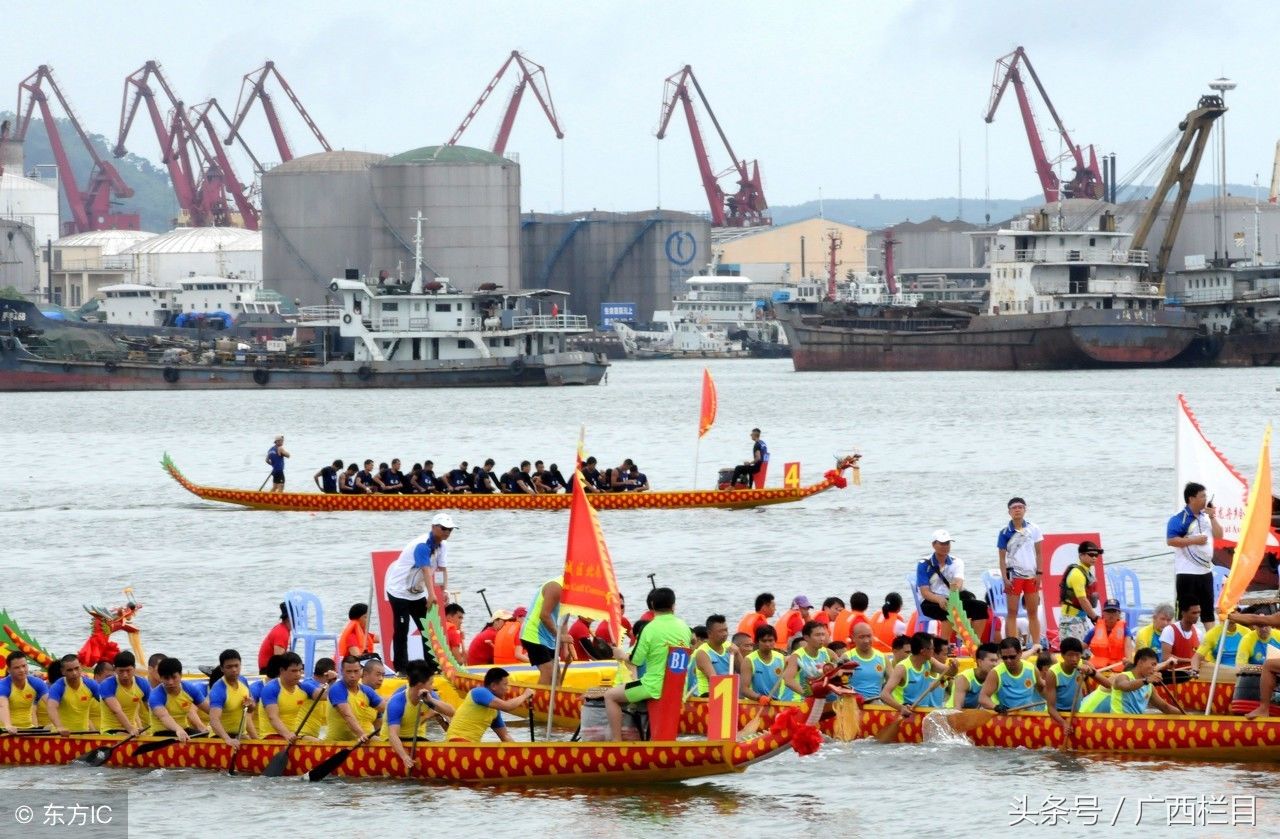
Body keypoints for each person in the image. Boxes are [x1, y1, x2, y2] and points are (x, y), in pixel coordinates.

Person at [603, 586, 691, 740]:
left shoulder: (649, 629)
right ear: (673, 606)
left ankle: (616, 742)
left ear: (652, 605)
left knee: (610, 696)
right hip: (679, 687)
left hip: (653, 687)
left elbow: (636, 660)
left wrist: (621, 654)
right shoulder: (684, 627)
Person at [385, 513, 455, 672]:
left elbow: (441, 568)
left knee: (427, 629)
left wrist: (444, 590)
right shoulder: (422, 545)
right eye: (444, 528)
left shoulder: (442, 545)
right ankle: (401, 669)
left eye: (450, 529)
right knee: (402, 629)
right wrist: (431, 594)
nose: (447, 532)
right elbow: (425, 569)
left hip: (417, 592)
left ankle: (432, 667)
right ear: (433, 527)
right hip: (399, 591)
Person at [1167, 482, 1223, 632]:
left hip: (1205, 572)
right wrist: (1194, 540)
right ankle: (1181, 642)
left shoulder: (1206, 517)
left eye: (1206, 495)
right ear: (1191, 499)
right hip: (1187, 573)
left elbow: (1219, 535)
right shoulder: (1179, 518)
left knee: (1208, 613)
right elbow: (1171, 540)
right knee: (1185, 612)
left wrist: (1212, 517)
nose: (1205, 499)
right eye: (1202, 496)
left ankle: (1212, 649)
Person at [915, 530, 989, 643]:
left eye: (947, 543)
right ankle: (945, 645)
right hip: (929, 601)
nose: (945, 546)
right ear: (934, 545)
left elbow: (959, 582)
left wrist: (955, 589)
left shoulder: (957, 562)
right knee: (948, 609)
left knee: (981, 607)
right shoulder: (924, 564)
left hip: (951, 598)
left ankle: (974, 644)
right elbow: (925, 592)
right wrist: (939, 599)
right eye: (942, 543)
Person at [997, 497, 1044, 647]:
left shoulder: (1034, 529)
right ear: (1009, 512)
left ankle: (1036, 644)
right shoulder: (1004, 532)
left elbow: (1039, 554)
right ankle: (1013, 645)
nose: (1017, 510)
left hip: (1031, 575)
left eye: (1020, 507)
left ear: (1025, 509)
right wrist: (1005, 578)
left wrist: (1039, 574)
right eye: (1014, 508)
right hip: (1013, 576)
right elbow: (1002, 558)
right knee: (1012, 612)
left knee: (1032, 612)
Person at [387, 661, 451, 768]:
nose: (433, 686)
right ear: (420, 684)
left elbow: (451, 713)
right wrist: (404, 757)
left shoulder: (429, 694)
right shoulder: (397, 700)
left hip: (416, 737)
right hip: (393, 741)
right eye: (431, 683)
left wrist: (433, 702)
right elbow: (393, 735)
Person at [445, 667, 532, 742]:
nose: (507, 689)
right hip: (456, 742)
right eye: (505, 685)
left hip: (471, 746)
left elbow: (505, 737)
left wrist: (520, 751)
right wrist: (525, 695)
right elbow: (507, 707)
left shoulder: (495, 712)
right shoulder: (479, 692)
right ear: (494, 686)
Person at [882, 632, 951, 716]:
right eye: (932, 648)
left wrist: (954, 666)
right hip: (905, 713)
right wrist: (901, 708)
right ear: (923, 651)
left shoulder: (930, 662)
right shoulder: (902, 668)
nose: (933, 651)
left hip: (923, 712)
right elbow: (884, 694)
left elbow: (950, 672)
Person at [261, 652, 327, 740]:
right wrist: (287, 734)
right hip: (270, 736)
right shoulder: (271, 688)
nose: (298, 674)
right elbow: (273, 717)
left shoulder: (302, 687)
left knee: (319, 743)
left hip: (293, 735)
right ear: (281, 670)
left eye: (300, 670)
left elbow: (325, 696)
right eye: (294, 671)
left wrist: (331, 681)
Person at [1227, 609, 1280, 717]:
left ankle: (1263, 709)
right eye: (1260, 626)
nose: (1264, 628)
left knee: (1268, 666)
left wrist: (1231, 616)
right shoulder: (1247, 639)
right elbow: (1239, 667)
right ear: (1254, 628)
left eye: (1266, 625)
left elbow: (1255, 619)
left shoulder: (1277, 632)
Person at [1044, 638, 1096, 735]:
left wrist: (1090, 671)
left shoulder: (1083, 665)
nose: (1074, 659)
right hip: (1059, 713)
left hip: (1077, 711)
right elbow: (1050, 708)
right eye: (1070, 655)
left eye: (1077, 655)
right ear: (1062, 655)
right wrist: (1064, 723)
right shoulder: (1053, 673)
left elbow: (1108, 685)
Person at [148, 657, 209, 740]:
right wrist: (178, 729)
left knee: (203, 736)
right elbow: (164, 717)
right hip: (161, 732)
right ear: (160, 678)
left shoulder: (190, 689)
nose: (170, 682)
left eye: (174, 677)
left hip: (183, 730)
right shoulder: (155, 695)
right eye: (166, 678)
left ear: (180, 675)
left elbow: (209, 709)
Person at [979, 638, 1046, 712]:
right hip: (1007, 714)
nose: (1008, 661)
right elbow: (983, 698)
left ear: (1020, 653)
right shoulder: (995, 673)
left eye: (1012, 657)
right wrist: (996, 707)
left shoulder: (1031, 669)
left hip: (1028, 713)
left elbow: (1041, 687)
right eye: (1004, 657)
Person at [326, 655, 383, 742]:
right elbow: (347, 715)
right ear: (342, 672)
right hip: (338, 744)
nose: (352, 675)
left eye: (356, 671)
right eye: (348, 671)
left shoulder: (367, 691)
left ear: (361, 671)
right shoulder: (337, 689)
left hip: (362, 740)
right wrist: (361, 734)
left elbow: (386, 708)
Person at [1107, 648, 1181, 714]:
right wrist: (1146, 680)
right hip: (1119, 723)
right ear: (1140, 662)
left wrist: (1187, 717)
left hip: (1135, 724)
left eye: (1155, 665)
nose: (1154, 668)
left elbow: (1165, 707)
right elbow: (1126, 686)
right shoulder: (1123, 676)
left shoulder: (1150, 687)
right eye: (1153, 664)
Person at [208, 649, 258, 746]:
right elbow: (214, 720)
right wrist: (228, 739)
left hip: (240, 735)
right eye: (229, 667)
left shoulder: (243, 680)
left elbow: (251, 710)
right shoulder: (218, 689)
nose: (234, 670)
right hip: (220, 737)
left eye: (236, 665)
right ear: (222, 669)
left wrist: (251, 704)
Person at [521, 577, 566, 684]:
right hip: (533, 634)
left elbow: (564, 620)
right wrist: (559, 636)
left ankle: (555, 700)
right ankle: (538, 700)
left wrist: (567, 646)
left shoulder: (572, 592)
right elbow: (544, 615)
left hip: (549, 637)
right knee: (549, 672)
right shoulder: (556, 587)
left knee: (557, 675)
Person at [1058, 541, 1103, 642]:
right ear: (1081, 555)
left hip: (1081, 619)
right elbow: (1082, 599)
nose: (1094, 558)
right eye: (1091, 555)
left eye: (1096, 555)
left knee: (1085, 654)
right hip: (1070, 620)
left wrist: (1091, 617)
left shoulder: (1086, 572)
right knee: (1075, 653)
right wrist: (1095, 617)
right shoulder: (1077, 574)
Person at [45, 654, 99, 736]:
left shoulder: (90, 684)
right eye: (69, 670)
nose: (74, 673)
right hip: (62, 735)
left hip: (83, 734)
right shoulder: (58, 686)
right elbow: (51, 707)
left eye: (77, 668)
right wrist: (59, 727)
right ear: (63, 671)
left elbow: (106, 701)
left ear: (81, 667)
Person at [781, 621, 836, 698]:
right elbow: (788, 680)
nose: (822, 638)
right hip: (798, 700)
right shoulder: (797, 656)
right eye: (817, 635)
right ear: (806, 637)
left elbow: (840, 670)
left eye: (823, 634)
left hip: (819, 698)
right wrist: (809, 694)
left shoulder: (829, 653)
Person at [98, 651, 149, 734]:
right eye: (121, 671)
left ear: (134, 668)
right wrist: (131, 729)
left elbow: (151, 709)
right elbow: (117, 711)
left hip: (132, 730)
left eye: (128, 670)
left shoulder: (142, 684)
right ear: (115, 669)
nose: (125, 675)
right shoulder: (107, 684)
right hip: (110, 730)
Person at [740, 625, 794, 701]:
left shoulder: (781, 658)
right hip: (756, 702)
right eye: (764, 641)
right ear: (757, 642)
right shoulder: (749, 660)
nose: (767, 644)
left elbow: (790, 683)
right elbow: (744, 689)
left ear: (775, 640)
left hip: (777, 702)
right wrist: (759, 698)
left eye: (770, 640)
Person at [0, 651, 49, 733]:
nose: (22, 670)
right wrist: (8, 726)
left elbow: (51, 703)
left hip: (28, 728)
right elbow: (2, 706)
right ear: (8, 670)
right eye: (17, 667)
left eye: (24, 666)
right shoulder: (3, 685)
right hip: (4, 729)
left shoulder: (36, 682)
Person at [844, 622, 891, 704]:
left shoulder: (882, 657)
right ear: (853, 638)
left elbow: (893, 682)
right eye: (861, 637)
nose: (866, 641)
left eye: (869, 636)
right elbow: (840, 685)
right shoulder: (847, 658)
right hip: (854, 704)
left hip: (876, 703)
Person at [1082, 598, 1134, 671]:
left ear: (1119, 614)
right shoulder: (1095, 630)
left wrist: (1128, 660)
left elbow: (1128, 651)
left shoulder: (1125, 630)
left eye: (1114, 612)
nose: (1111, 615)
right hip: (1097, 669)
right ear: (1103, 613)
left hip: (1117, 668)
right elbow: (1082, 646)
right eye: (1108, 612)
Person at [692, 615, 733, 698]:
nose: (725, 634)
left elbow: (742, 671)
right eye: (720, 631)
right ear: (709, 633)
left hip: (727, 693)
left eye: (726, 630)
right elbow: (714, 681)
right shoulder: (702, 653)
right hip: (707, 696)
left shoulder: (730, 646)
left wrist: (737, 653)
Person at [951, 643, 1000, 710]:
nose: (995, 664)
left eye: (997, 661)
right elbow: (957, 708)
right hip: (953, 713)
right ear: (980, 662)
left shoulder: (995, 677)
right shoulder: (963, 678)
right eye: (992, 660)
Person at [1160, 602, 1203, 670]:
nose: (1197, 616)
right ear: (1183, 613)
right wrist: (1189, 660)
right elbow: (1166, 656)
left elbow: (1201, 657)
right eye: (1194, 613)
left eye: (1199, 612)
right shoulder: (1169, 630)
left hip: (1193, 674)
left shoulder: (1199, 633)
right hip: (1175, 674)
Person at [258, 602, 291, 672]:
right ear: (289, 618)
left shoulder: (282, 628)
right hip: (268, 671)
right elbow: (278, 660)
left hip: (269, 668)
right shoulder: (282, 632)